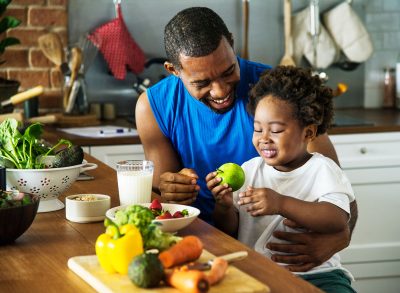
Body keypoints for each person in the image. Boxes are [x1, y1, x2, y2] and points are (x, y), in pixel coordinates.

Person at [135, 6, 358, 272]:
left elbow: (340, 193)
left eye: (228, 71)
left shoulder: (276, 94)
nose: (220, 90)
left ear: (231, 42)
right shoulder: (153, 106)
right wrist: (171, 189)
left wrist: (338, 239)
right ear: (174, 70)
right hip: (193, 247)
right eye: (202, 82)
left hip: (279, 258)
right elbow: (164, 203)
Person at [206, 66, 356, 292]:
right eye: (258, 129)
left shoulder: (323, 170)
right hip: (258, 273)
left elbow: (337, 219)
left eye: (275, 130)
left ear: (308, 133)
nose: (264, 139)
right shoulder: (250, 170)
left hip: (318, 275)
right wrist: (224, 207)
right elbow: (231, 231)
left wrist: (281, 203)